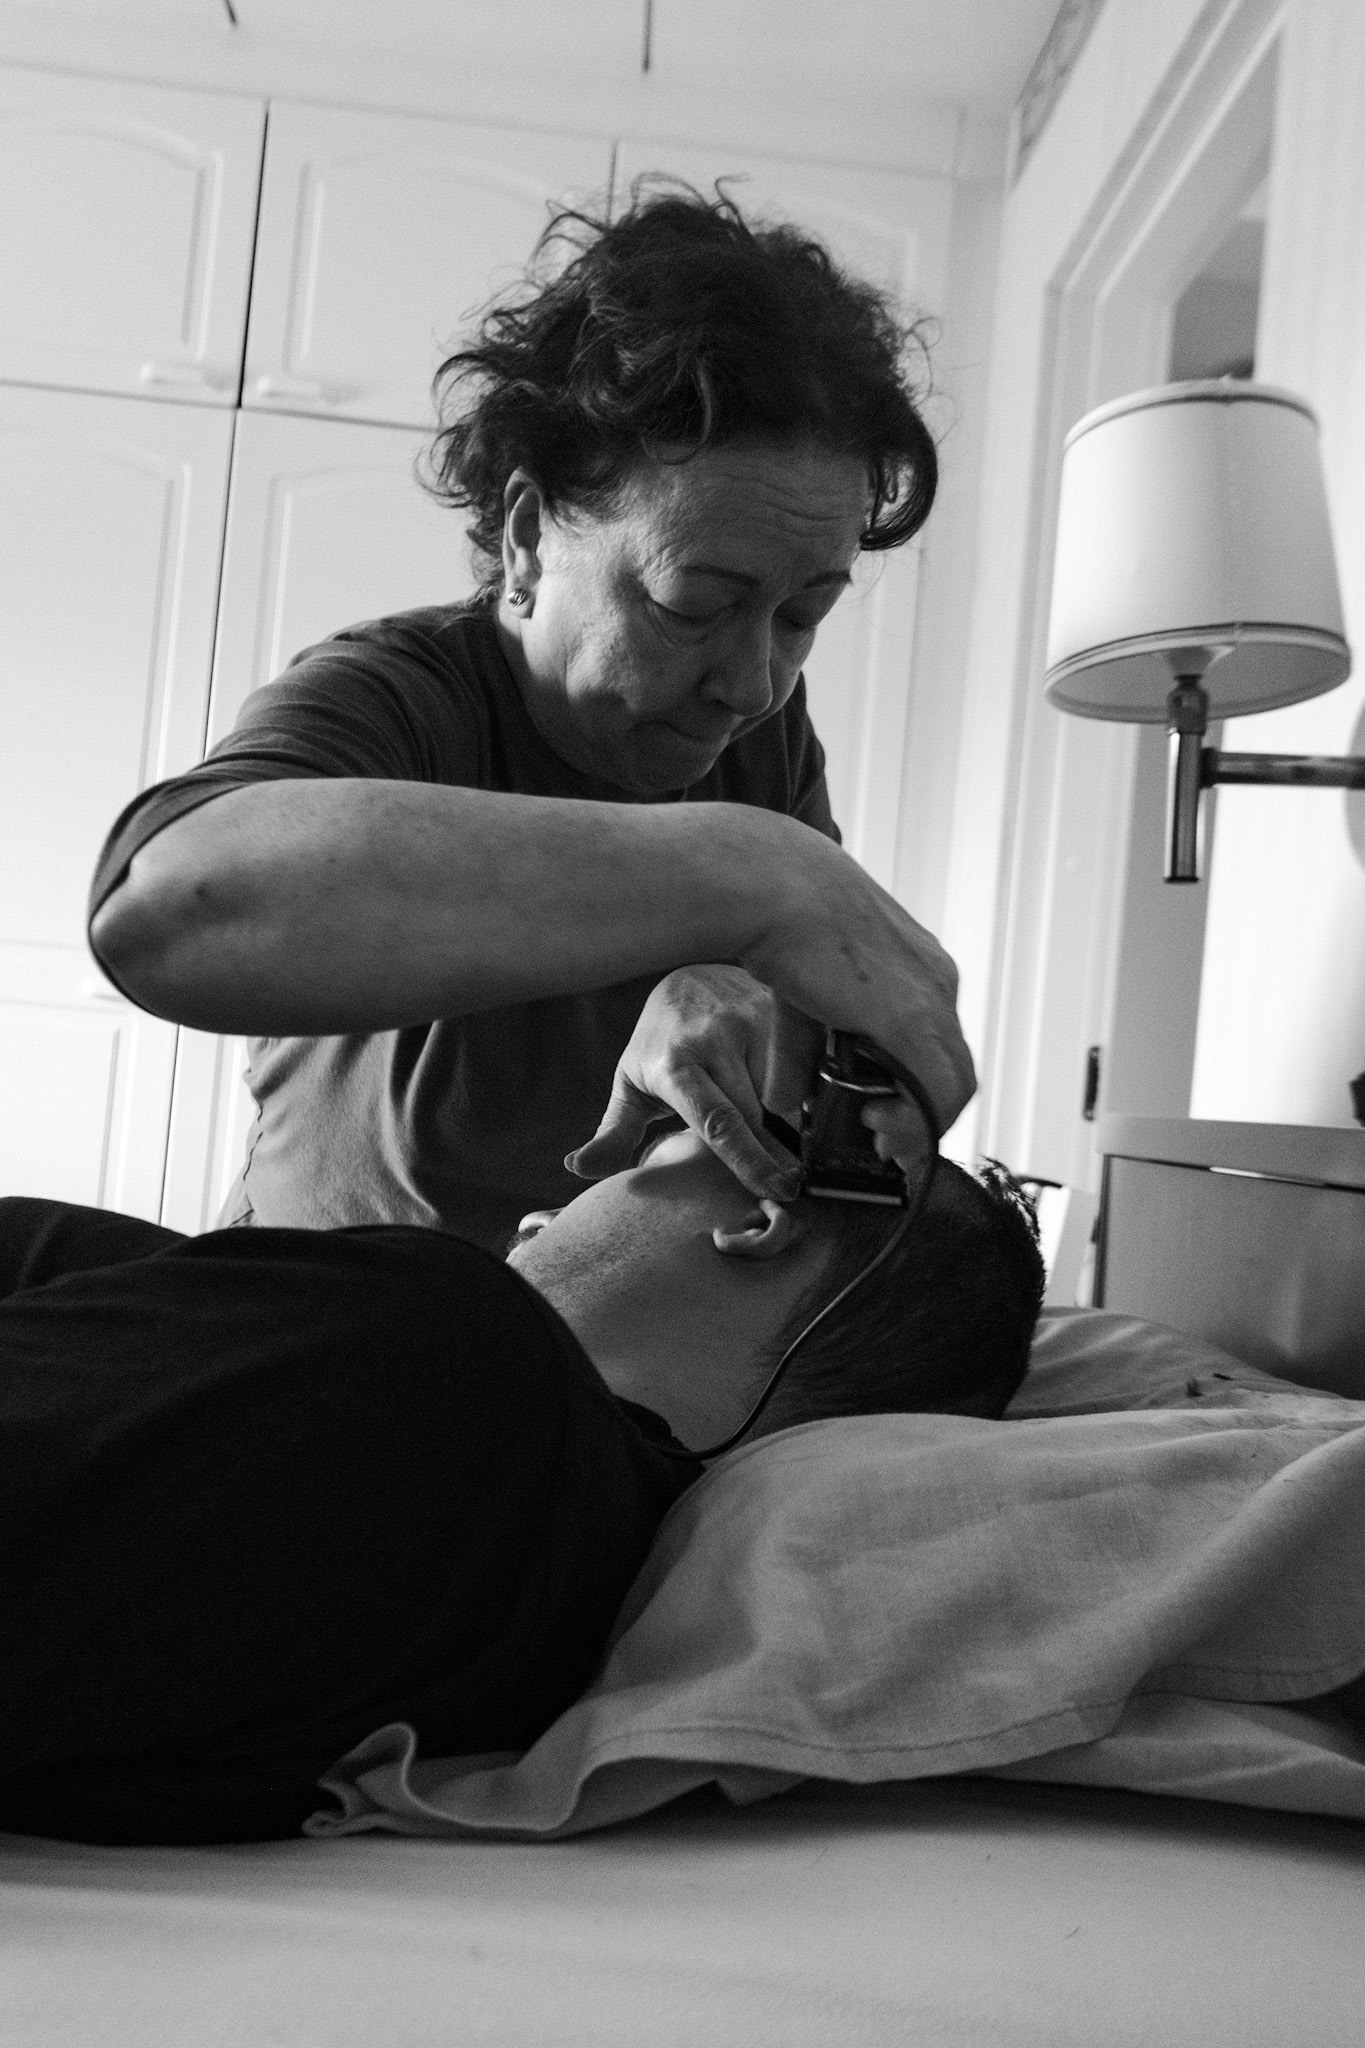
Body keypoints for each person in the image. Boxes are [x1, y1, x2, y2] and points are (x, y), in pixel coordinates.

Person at [86, 185, 975, 1253]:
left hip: (569, 1330)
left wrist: (740, 996)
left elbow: (783, 1007)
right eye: (694, 604)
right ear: (526, 538)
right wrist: (755, 873)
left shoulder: (756, 731)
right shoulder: (397, 694)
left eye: (805, 614)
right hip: (309, 1313)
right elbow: (166, 909)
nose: (755, 681)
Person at [0, 1126, 1043, 1847]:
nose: (551, 1199)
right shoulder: (550, 1565)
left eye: (652, 1153)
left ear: (763, 1215)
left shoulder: (458, 1360)